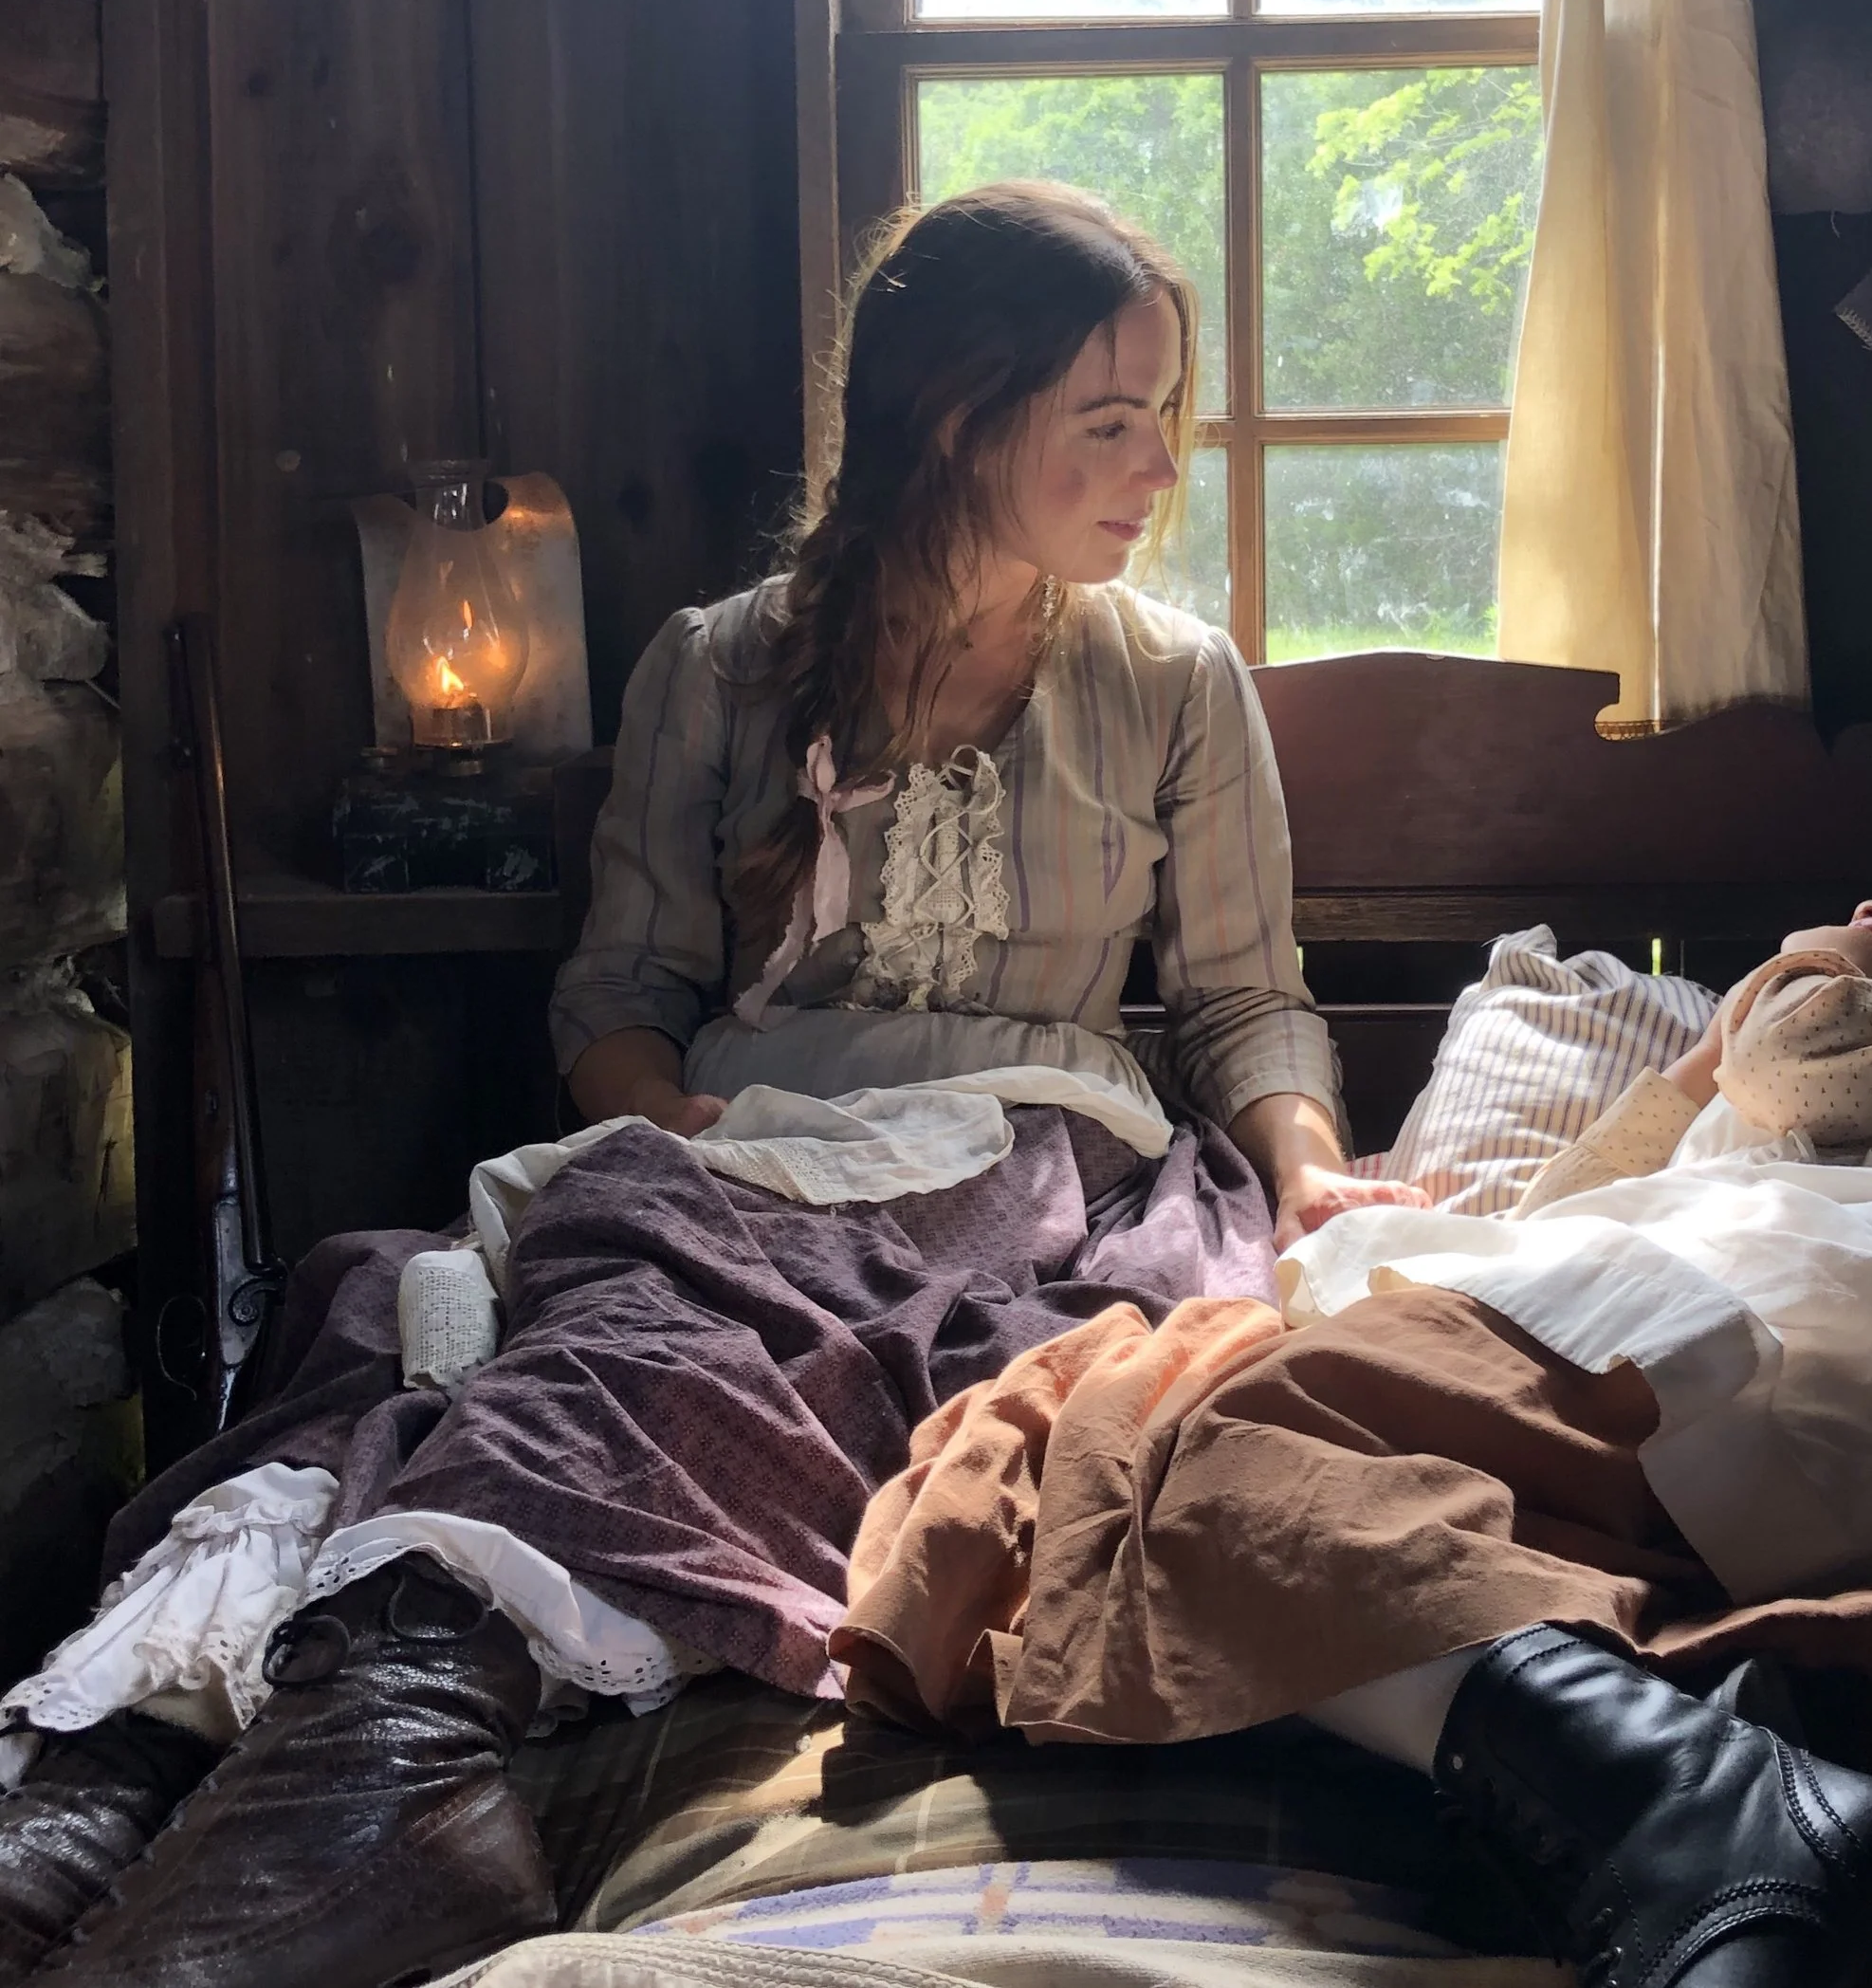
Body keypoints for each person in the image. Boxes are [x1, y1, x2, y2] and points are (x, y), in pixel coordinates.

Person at [0, 184, 1424, 1988]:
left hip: (1030, 1149)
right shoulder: (725, 664)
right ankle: (104, 1790)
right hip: (736, 1137)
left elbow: (1242, 1000)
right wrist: (674, 1149)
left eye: (1169, 418)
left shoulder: (1172, 684)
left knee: (655, 1341)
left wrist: (1306, 1175)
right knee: (395, 1315)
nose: (1160, 466)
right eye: (1111, 421)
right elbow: (621, 996)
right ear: (957, 418)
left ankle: (396, 1761)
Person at [828, 879, 1872, 1988]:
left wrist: (1815, 962)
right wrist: (1692, 1067)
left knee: (1235, 1443)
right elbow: (1568, 1197)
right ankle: (1676, 1747)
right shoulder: (1801, 1060)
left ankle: (1698, 1797)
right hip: (1683, 1358)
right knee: (1173, 1505)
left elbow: (1785, 1060)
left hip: (1768, 1329)